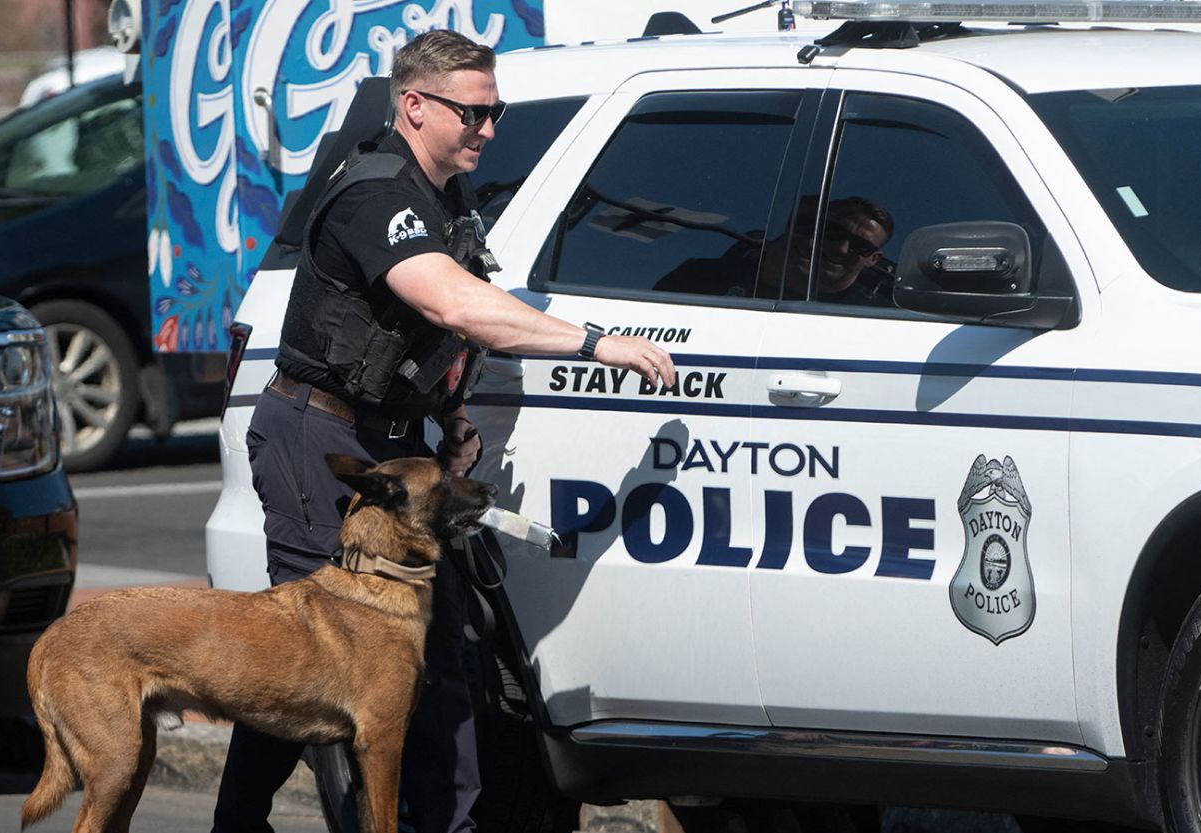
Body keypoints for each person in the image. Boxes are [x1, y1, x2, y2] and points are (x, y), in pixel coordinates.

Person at [211, 29, 676, 833]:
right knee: (302, 660)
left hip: (394, 450)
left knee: (439, 658)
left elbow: (424, 336)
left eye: (496, 113)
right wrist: (597, 342)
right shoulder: (375, 191)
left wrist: (451, 414)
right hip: (318, 445)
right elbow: (453, 306)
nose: (489, 130)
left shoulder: (443, 195)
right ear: (414, 106)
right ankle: (240, 823)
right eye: (474, 113)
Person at [653, 196, 893, 304]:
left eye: (859, 246)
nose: (841, 249)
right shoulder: (699, 279)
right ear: (806, 228)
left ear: (874, 259)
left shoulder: (876, 319)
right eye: (834, 233)